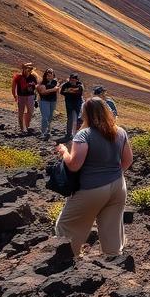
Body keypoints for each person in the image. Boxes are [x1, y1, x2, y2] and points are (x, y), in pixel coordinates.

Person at [55, 97, 133, 257]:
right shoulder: (120, 132)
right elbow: (128, 160)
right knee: (111, 228)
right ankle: (114, 261)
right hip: (118, 186)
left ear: (86, 114)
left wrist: (64, 152)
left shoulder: (84, 134)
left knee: (65, 226)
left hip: (91, 188)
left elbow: (74, 164)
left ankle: (68, 260)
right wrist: (113, 174)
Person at [11, 61, 38, 134]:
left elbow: (36, 86)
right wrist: (15, 95)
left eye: (29, 69)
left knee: (30, 112)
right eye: (27, 69)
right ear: (24, 69)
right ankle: (22, 129)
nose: (28, 71)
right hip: (21, 96)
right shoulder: (18, 77)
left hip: (30, 96)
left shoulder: (33, 77)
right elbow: (13, 87)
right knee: (21, 112)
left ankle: (27, 126)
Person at [37, 68, 59, 140]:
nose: (49, 77)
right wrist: (53, 89)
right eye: (48, 75)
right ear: (45, 76)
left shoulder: (55, 82)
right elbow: (43, 92)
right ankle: (43, 132)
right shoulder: (42, 82)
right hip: (44, 100)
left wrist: (54, 89)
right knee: (45, 117)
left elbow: (57, 90)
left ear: (53, 76)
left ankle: (48, 131)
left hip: (52, 101)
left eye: (51, 75)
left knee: (50, 117)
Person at [60, 73, 85, 138]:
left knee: (77, 119)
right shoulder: (66, 84)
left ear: (77, 80)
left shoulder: (80, 85)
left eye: (74, 79)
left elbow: (80, 91)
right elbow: (62, 92)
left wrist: (68, 91)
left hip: (77, 103)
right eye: (71, 79)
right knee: (70, 118)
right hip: (69, 103)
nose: (72, 81)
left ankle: (76, 134)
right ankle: (68, 133)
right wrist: (73, 90)